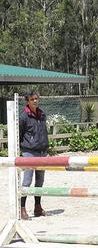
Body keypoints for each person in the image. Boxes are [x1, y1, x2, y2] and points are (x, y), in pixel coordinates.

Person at [19, 91, 49, 220]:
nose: (35, 101)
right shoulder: (23, 116)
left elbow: (44, 132)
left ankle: (37, 207)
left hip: (42, 151)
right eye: (32, 99)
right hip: (29, 151)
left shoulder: (42, 114)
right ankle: (22, 209)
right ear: (28, 101)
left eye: (36, 98)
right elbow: (19, 134)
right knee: (27, 181)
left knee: (40, 181)